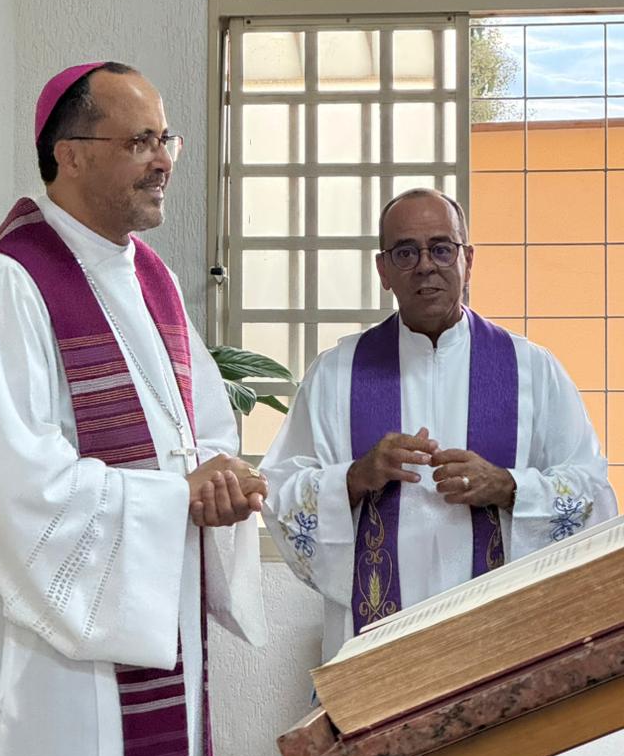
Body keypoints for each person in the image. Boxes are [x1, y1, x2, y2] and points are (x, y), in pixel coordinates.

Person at [0, 62, 267, 756]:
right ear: (70, 154)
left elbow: (204, 431)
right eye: (141, 141)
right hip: (60, 675)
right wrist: (173, 501)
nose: (163, 161)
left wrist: (219, 479)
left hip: (151, 639)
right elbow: (16, 490)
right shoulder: (6, 284)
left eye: (167, 140)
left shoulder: (146, 275)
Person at [262, 187, 616, 662]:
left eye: (441, 248)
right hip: (375, 644)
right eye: (405, 252)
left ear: (468, 259)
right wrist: (353, 477)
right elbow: (280, 491)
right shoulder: (336, 373)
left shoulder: (531, 369)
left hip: (499, 636)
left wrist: (509, 486)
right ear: (383, 270)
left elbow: (593, 492)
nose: (425, 265)